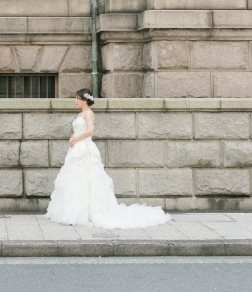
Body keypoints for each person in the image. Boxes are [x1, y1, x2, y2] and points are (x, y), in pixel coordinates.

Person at [44, 88, 171, 229]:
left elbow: (90, 131)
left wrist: (77, 138)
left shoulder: (89, 113)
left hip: (85, 149)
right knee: (74, 179)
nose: (75, 101)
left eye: (77, 99)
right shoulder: (80, 114)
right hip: (76, 149)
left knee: (86, 179)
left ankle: (85, 214)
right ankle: (72, 212)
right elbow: (78, 130)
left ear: (85, 100)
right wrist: (72, 137)